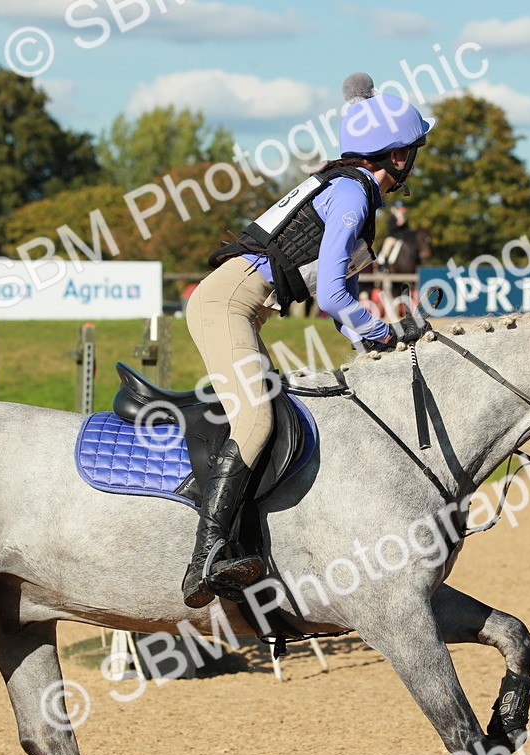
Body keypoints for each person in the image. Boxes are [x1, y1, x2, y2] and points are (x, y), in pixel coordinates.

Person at [179, 72, 433, 608]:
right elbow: (338, 297)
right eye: (411, 151)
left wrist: (372, 344)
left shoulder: (351, 192)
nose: (413, 160)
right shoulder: (352, 192)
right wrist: (380, 328)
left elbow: (343, 300)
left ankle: (252, 543)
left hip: (242, 306)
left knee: (282, 412)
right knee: (257, 419)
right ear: (397, 157)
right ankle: (206, 558)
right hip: (227, 303)